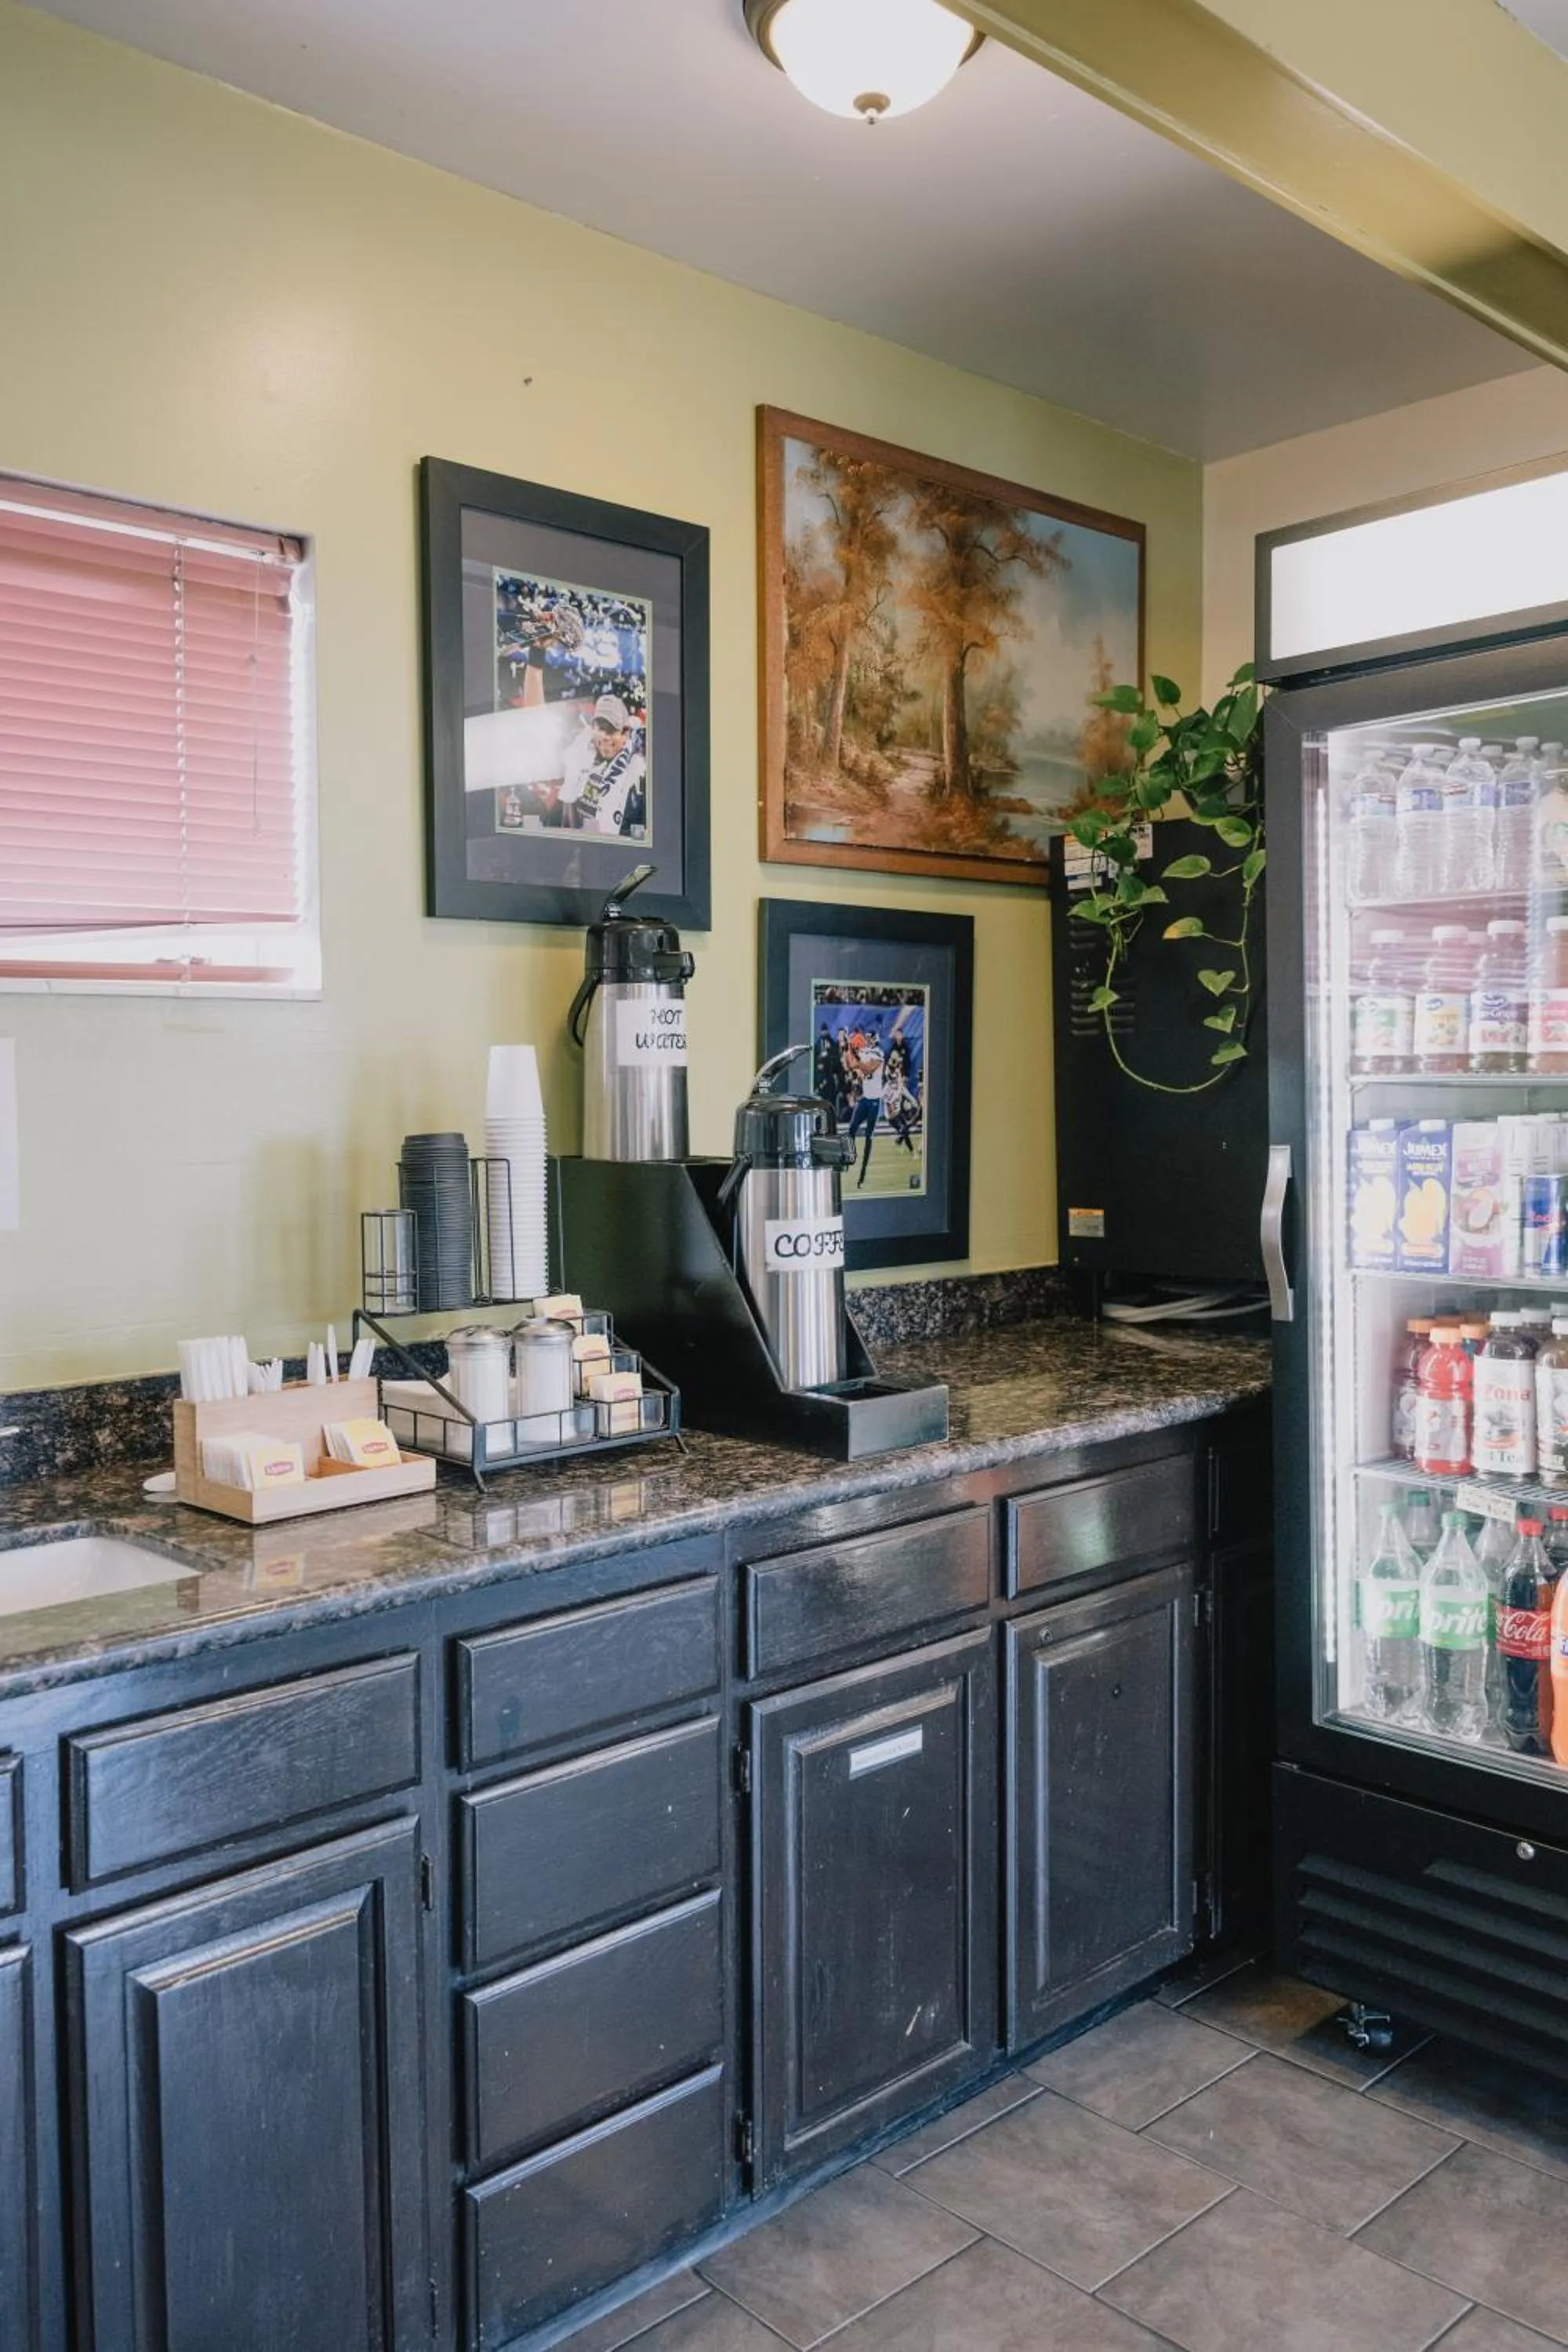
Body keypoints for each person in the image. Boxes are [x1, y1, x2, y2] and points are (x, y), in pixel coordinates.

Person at [558, 695, 647, 837]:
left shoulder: (637, 770)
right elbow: (567, 804)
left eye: (611, 730)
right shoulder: (580, 752)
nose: (605, 737)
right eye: (601, 728)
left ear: (625, 733)